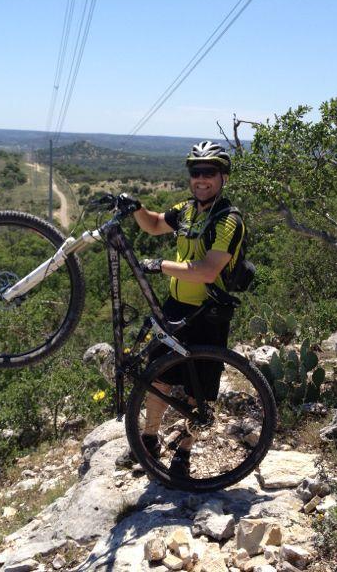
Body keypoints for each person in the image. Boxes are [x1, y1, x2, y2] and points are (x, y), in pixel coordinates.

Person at [129, 140, 245, 477]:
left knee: (200, 391)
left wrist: (159, 265)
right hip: (176, 307)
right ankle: (148, 440)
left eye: (209, 172)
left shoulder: (228, 220)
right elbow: (152, 224)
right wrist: (136, 206)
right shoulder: (186, 210)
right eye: (196, 172)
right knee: (158, 378)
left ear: (223, 177)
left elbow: (209, 270)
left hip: (209, 313)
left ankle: (183, 452)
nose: (202, 178)